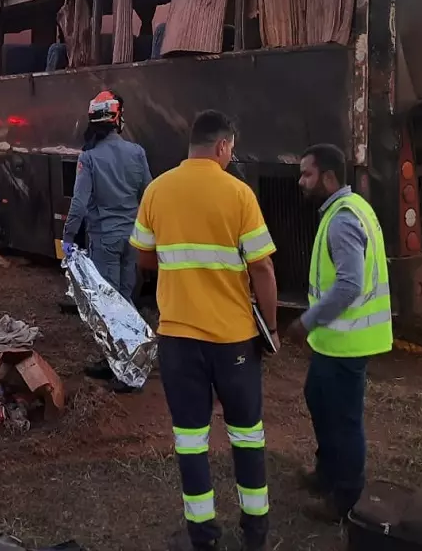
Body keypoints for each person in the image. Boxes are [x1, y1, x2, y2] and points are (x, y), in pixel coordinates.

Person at [129, 110, 278, 551]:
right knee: (247, 434)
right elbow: (263, 266)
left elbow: (143, 258)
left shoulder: (157, 190)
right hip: (233, 339)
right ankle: (256, 532)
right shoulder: (238, 193)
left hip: (178, 339)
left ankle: (203, 535)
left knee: (191, 441)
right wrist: (269, 326)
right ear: (222, 147)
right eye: (231, 150)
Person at [285, 143, 393, 522]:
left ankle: (346, 498)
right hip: (334, 341)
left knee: (344, 419)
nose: (301, 181)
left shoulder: (344, 219)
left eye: (307, 174)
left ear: (329, 177)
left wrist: (305, 322)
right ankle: (326, 474)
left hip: (347, 342)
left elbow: (348, 285)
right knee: (318, 397)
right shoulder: (347, 210)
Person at [61, 91, 153, 381]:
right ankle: (120, 362)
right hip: (134, 240)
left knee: (109, 307)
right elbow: (148, 194)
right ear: (117, 119)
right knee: (125, 300)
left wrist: (68, 236)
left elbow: (78, 203)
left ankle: (123, 370)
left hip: (105, 240)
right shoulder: (137, 152)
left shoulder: (89, 158)